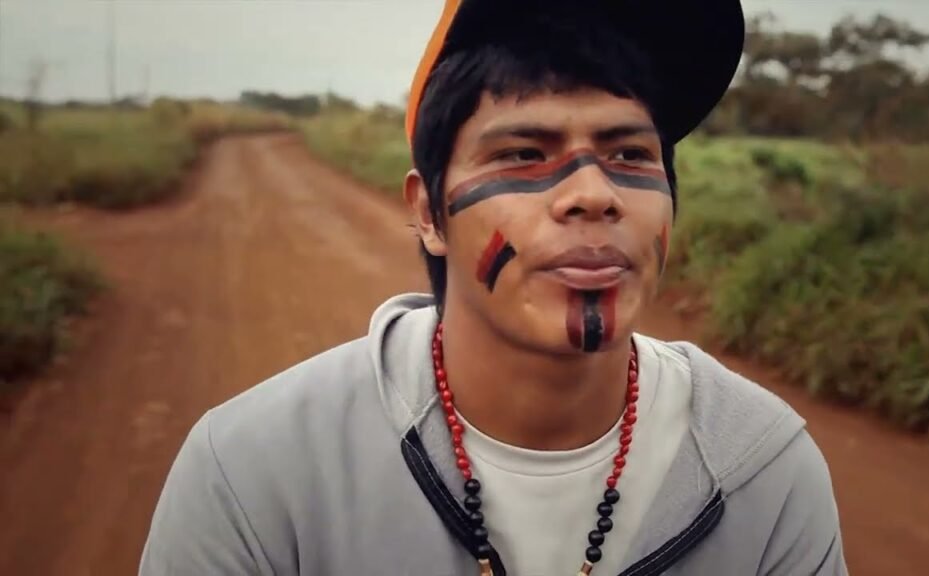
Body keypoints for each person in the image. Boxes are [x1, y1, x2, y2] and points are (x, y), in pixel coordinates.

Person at [140, 1, 847, 574]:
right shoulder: (256, 469)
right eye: (524, 154)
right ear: (429, 213)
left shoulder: (764, 471)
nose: (594, 194)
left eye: (630, 153)